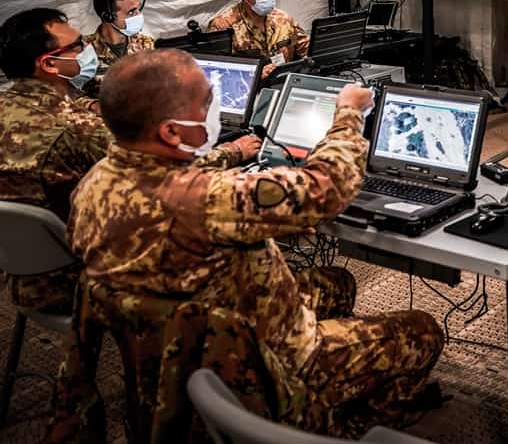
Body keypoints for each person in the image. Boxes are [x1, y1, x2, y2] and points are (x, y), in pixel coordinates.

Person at [68, 49, 443, 436]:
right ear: (171, 132)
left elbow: (173, 215)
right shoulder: (211, 200)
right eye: (207, 101)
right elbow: (327, 187)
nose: (216, 107)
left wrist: (261, 213)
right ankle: (350, 426)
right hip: (255, 358)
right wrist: (348, 114)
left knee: (336, 283)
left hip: (181, 344)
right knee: (422, 330)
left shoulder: (94, 185)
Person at [0, 8, 109, 311]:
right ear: (49, 63)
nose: (88, 49)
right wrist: (234, 151)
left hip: (21, 271)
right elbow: (158, 173)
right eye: (78, 46)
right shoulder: (77, 127)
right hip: (77, 282)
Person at [207, 0, 309, 76]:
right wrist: (254, 75)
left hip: (282, 84)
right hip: (249, 90)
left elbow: (307, 50)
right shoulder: (222, 26)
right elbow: (215, 73)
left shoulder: (283, 19)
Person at [83, 0, 155, 81]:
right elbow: (70, 94)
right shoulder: (82, 51)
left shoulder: (146, 44)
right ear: (107, 17)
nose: (138, 15)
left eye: (139, 9)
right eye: (131, 12)